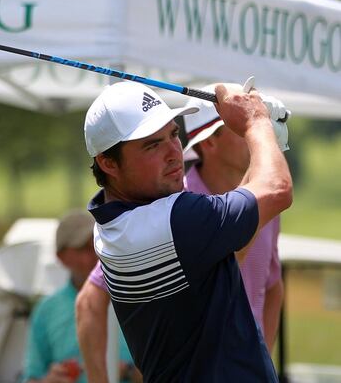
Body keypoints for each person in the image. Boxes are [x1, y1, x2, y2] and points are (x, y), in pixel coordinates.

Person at [78, 81, 291, 382]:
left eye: (174, 134)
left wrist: (262, 146)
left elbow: (229, 247)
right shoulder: (177, 220)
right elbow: (277, 190)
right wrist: (256, 122)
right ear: (108, 163)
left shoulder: (112, 227)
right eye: (152, 145)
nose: (173, 153)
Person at [23, 209, 138, 383]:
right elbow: (31, 376)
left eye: (99, 243)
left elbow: (170, 371)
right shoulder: (46, 310)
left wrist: (129, 372)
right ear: (62, 258)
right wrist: (49, 380)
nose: (96, 253)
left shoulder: (137, 298)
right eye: (84, 248)